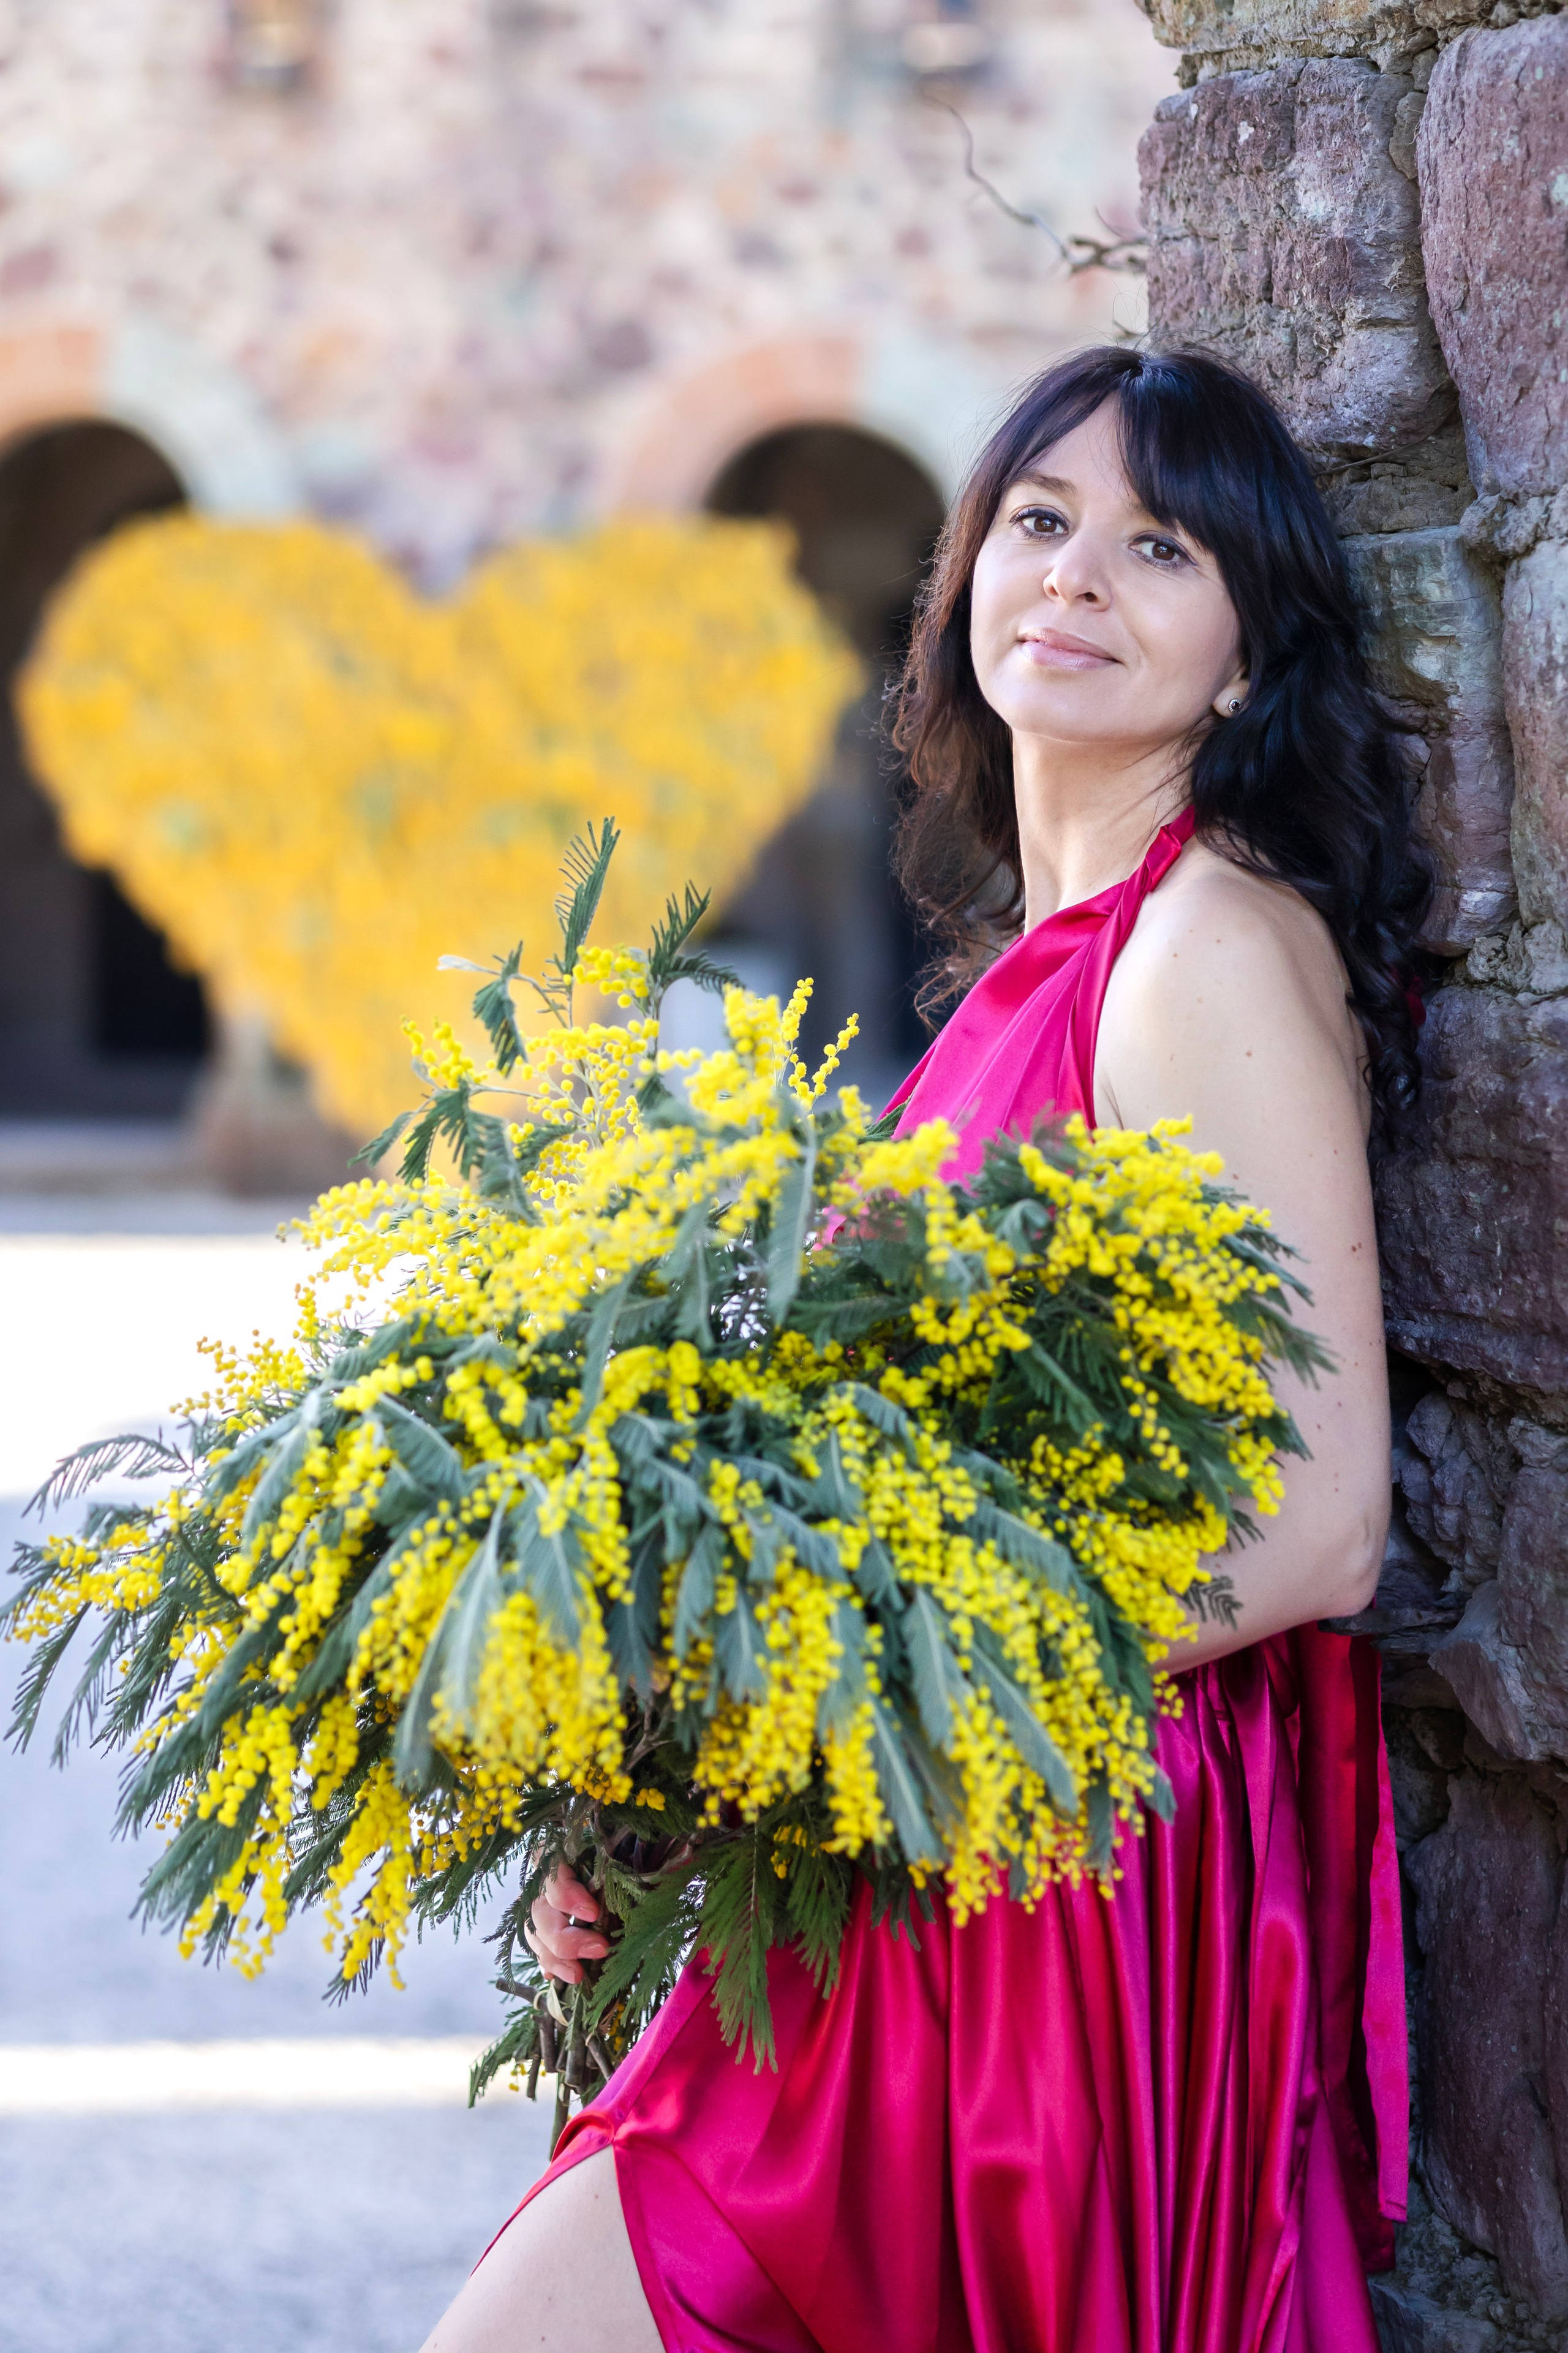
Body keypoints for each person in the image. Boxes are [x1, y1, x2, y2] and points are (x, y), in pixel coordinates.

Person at [418, 344, 1425, 2353]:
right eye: (1039, 521)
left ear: (1243, 654)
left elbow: (1321, 1530)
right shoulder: (1040, 959)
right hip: (925, 1835)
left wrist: (818, 1722)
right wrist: (668, 1775)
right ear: (965, 575)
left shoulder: (1202, 945)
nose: (1074, 575)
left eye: (1158, 544)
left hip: (1056, 1881)